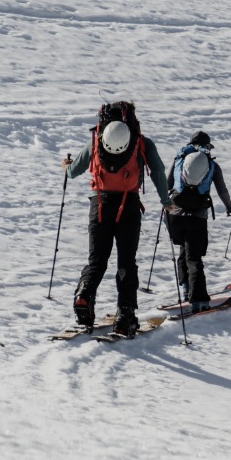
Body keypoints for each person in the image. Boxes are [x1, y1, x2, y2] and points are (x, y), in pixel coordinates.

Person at [62, 101, 172, 336]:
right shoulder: (141, 142)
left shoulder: (96, 140)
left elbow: (74, 172)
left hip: (99, 204)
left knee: (97, 260)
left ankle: (84, 296)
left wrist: (66, 165)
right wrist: (166, 201)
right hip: (128, 206)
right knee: (126, 262)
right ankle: (125, 314)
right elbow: (159, 172)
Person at [166, 131, 231, 308]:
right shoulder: (212, 165)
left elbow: (166, 186)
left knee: (184, 250)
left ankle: (186, 289)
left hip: (174, 216)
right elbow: (222, 190)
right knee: (194, 257)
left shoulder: (178, 160)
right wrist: (230, 207)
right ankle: (198, 299)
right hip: (197, 217)